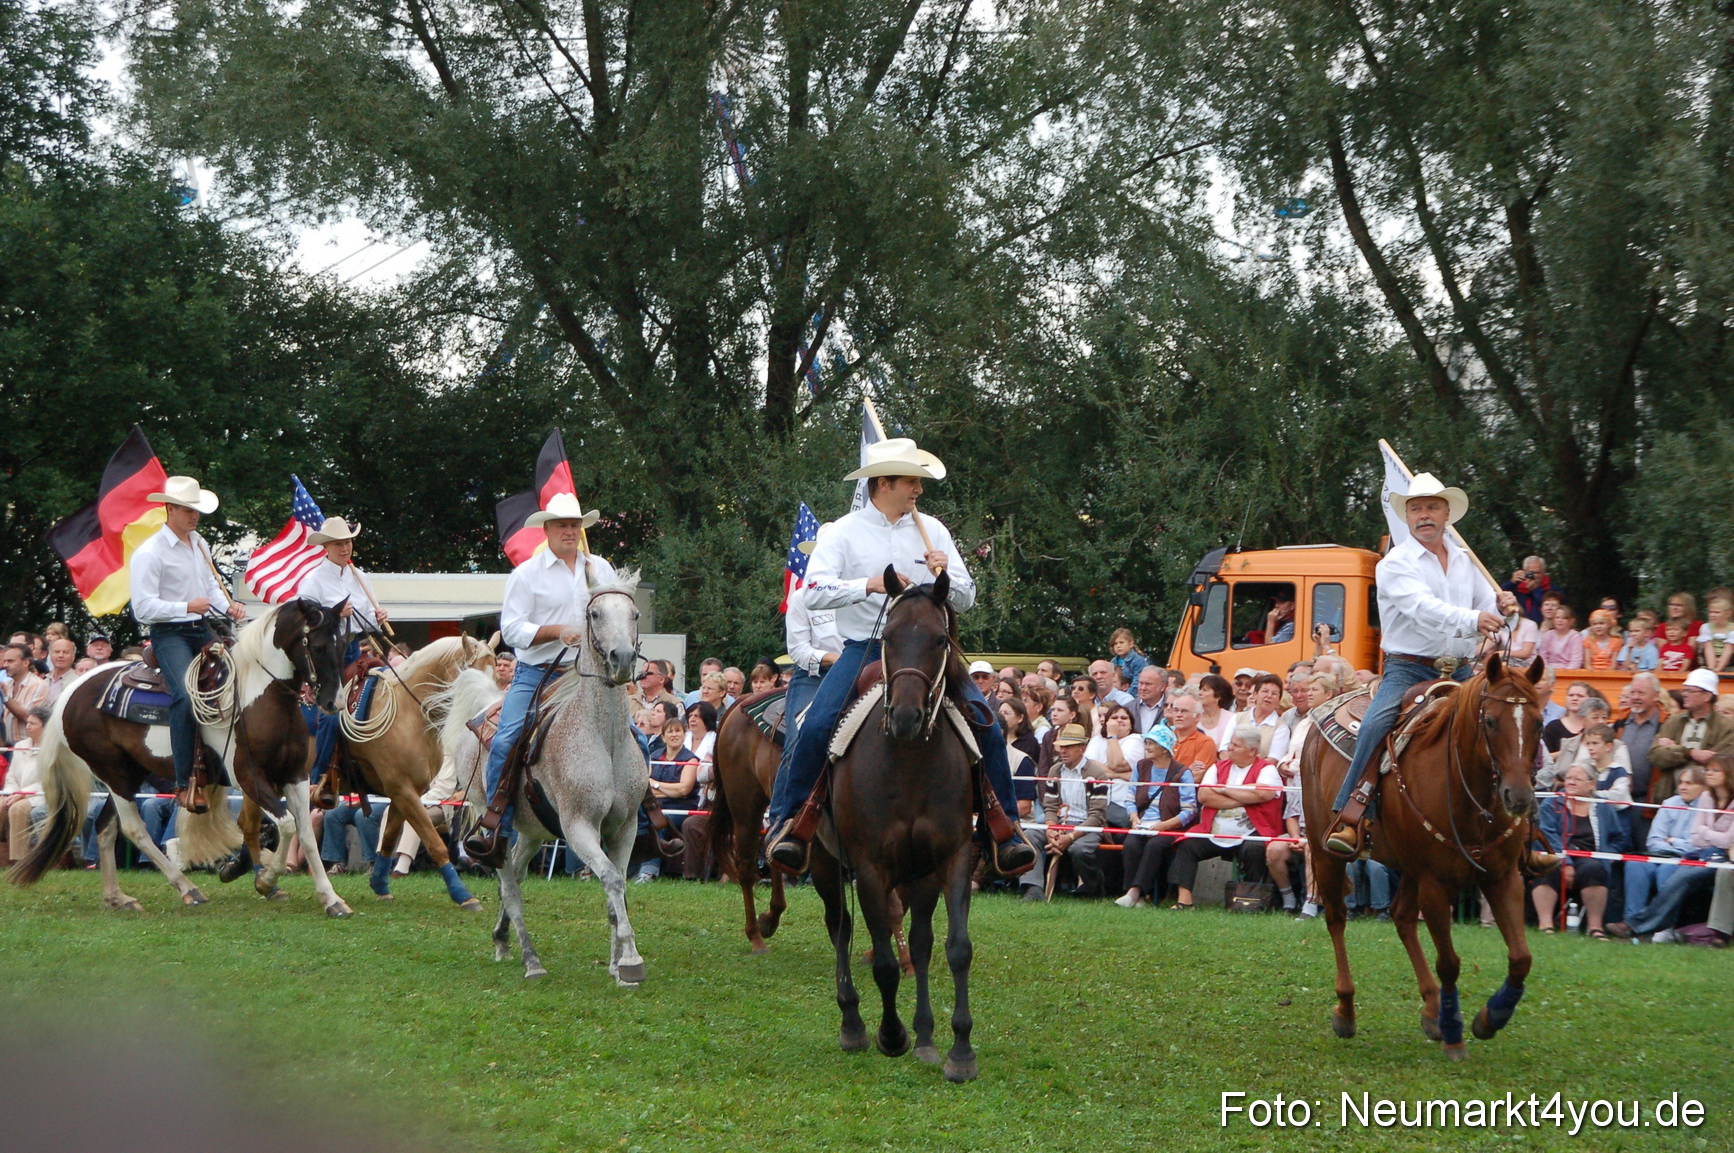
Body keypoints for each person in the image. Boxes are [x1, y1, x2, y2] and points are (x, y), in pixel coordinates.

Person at [764, 437, 1033, 876]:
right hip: (864, 648)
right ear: (883, 482)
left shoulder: (935, 530)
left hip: (928, 648)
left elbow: (965, 600)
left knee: (986, 719)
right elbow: (811, 593)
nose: (919, 491)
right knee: (816, 725)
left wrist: (948, 571)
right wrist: (867, 584)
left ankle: (1004, 828)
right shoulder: (842, 532)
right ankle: (794, 824)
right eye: (912, 481)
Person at [1323, 473, 1500, 858]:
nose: (1424, 515)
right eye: (1416, 508)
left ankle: (1521, 825)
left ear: (1447, 513)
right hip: (1408, 668)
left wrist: (1507, 611)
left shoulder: (1467, 561)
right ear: (1406, 516)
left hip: (1464, 668)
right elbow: (1421, 608)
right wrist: (1475, 620)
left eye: (1432, 507)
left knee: (1507, 724)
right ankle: (1351, 816)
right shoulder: (1394, 564)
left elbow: (1492, 607)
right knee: (1375, 723)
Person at [463, 491, 620, 866]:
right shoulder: (526, 574)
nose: (570, 531)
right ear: (547, 529)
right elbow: (512, 629)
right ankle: (496, 819)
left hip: (590, 674)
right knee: (506, 736)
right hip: (538, 672)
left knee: (633, 738)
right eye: (563, 524)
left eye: (575, 524)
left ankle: (641, 815)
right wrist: (556, 632)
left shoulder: (602, 569)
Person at [129, 475, 247, 813]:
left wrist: (228, 606)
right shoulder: (150, 553)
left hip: (202, 628)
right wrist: (185, 607)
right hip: (170, 634)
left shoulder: (199, 543)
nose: (194, 516)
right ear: (169, 509)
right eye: (187, 509)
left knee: (242, 680)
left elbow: (210, 587)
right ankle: (183, 781)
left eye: (196, 510)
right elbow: (143, 608)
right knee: (184, 693)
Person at [296, 516, 385, 783]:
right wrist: (335, 614)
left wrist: (377, 617)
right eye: (338, 544)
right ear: (326, 547)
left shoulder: (360, 576)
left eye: (347, 542)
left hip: (355, 648)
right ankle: (320, 776)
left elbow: (366, 619)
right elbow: (304, 622)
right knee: (334, 716)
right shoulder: (313, 580)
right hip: (326, 654)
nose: (344, 548)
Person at [1610, 755, 1734, 942]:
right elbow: (1696, 837)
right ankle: (1643, 928)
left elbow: (1726, 840)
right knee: (1667, 876)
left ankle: (1637, 926)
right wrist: (1711, 836)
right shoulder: (1707, 797)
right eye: (1708, 769)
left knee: (1682, 877)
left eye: (1715, 770)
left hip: (1723, 858)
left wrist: (1704, 832)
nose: (1709, 773)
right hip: (1702, 853)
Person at [1167, 727, 1283, 909]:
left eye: (1236, 745)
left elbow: (1262, 794)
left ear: (1252, 751)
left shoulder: (1267, 770)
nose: (1230, 748)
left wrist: (1223, 789)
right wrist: (1244, 798)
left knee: (1255, 848)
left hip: (1251, 831)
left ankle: (1251, 902)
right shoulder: (1217, 767)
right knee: (1188, 844)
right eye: (1230, 743)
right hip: (1213, 830)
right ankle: (1185, 901)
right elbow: (1204, 796)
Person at [1531, 762, 1630, 937]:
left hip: (1591, 857)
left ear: (1592, 784)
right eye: (1568, 778)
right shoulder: (1551, 804)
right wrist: (1566, 863)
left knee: (1593, 869)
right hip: (1558, 853)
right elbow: (1547, 836)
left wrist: (1607, 854)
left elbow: (1619, 838)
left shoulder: (1603, 806)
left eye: (1577, 779)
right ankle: (1545, 926)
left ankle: (1595, 928)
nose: (1571, 782)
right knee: (1547, 869)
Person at [1114, 724, 1197, 908]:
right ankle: (1139, 897)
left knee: (1155, 845)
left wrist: (1165, 825)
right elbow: (1130, 798)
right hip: (1143, 822)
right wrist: (1134, 817)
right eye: (1147, 742)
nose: (1147, 747)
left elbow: (1190, 810)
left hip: (1170, 825)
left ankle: (1134, 892)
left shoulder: (1183, 773)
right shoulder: (1141, 766)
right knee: (1131, 844)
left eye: (1152, 743)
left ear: (1164, 748)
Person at [1617, 765, 1708, 929]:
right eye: (1681, 782)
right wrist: (1676, 843)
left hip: (1686, 859)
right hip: (1659, 853)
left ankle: (1662, 927)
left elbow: (1698, 844)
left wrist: (1672, 841)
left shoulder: (1708, 808)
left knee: (1666, 870)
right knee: (1635, 864)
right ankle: (1629, 922)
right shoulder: (1669, 803)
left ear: (1704, 787)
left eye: (1689, 783)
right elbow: (1653, 840)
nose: (1682, 787)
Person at [1039, 724, 1110, 896]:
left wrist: (1070, 837)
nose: (1063, 751)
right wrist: (1051, 828)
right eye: (1062, 747)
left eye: (1069, 747)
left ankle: (1094, 887)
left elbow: (1097, 815)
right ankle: (1032, 887)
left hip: (1087, 827)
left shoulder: (1097, 774)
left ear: (1082, 749)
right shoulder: (1054, 770)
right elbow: (1050, 805)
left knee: (1079, 849)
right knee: (1030, 837)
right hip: (1060, 824)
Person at [1647, 667, 1734, 805]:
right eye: (1684, 690)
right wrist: (1690, 753)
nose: (1684, 695)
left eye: (1690, 691)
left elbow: (1721, 764)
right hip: (1670, 797)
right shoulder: (1674, 721)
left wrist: (1674, 748)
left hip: (1709, 801)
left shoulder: (1727, 727)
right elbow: (1655, 755)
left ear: (1707, 696)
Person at [0, 643, 48, 751]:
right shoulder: (7, 684)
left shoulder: (38, 685)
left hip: (27, 749)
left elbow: (28, 717)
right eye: (5, 661)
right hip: (5, 748)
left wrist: (6, 698)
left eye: (10, 661)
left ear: (26, 662)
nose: (5, 665)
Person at [1196, 673, 1236, 753]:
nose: (1200, 693)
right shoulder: (1195, 717)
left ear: (1218, 696)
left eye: (1205, 690)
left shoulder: (1232, 718)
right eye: (1200, 689)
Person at [1537, 604, 1585, 670]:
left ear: (1571, 621)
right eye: (1557, 617)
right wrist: (1547, 670)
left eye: (1564, 618)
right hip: (1548, 671)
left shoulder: (1575, 637)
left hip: (1569, 671)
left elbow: (1576, 661)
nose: (1560, 620)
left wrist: (1566, 673)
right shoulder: (1548, 635)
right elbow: (1543, 657)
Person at [1697, 595, 1734, 676]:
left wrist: (1719, 666)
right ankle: (1712, 670)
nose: (1712, 615)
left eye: (1717, 612)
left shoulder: (1732, 628)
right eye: (1710, 612)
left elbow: (1729, 649)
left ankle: (1718, 670)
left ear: (1728, 613)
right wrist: (1712, 667)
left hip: (1730, 661)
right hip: (1710, 660)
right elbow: (1708, 648)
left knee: (1730, 646)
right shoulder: (1706, 627)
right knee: (1707, 645)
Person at [1129, 665, 1167, 732]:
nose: (1143, 688)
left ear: (1162, 687)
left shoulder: (1171, 708)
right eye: (1141, 683)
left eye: (1148, 684)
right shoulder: (1128, 708)